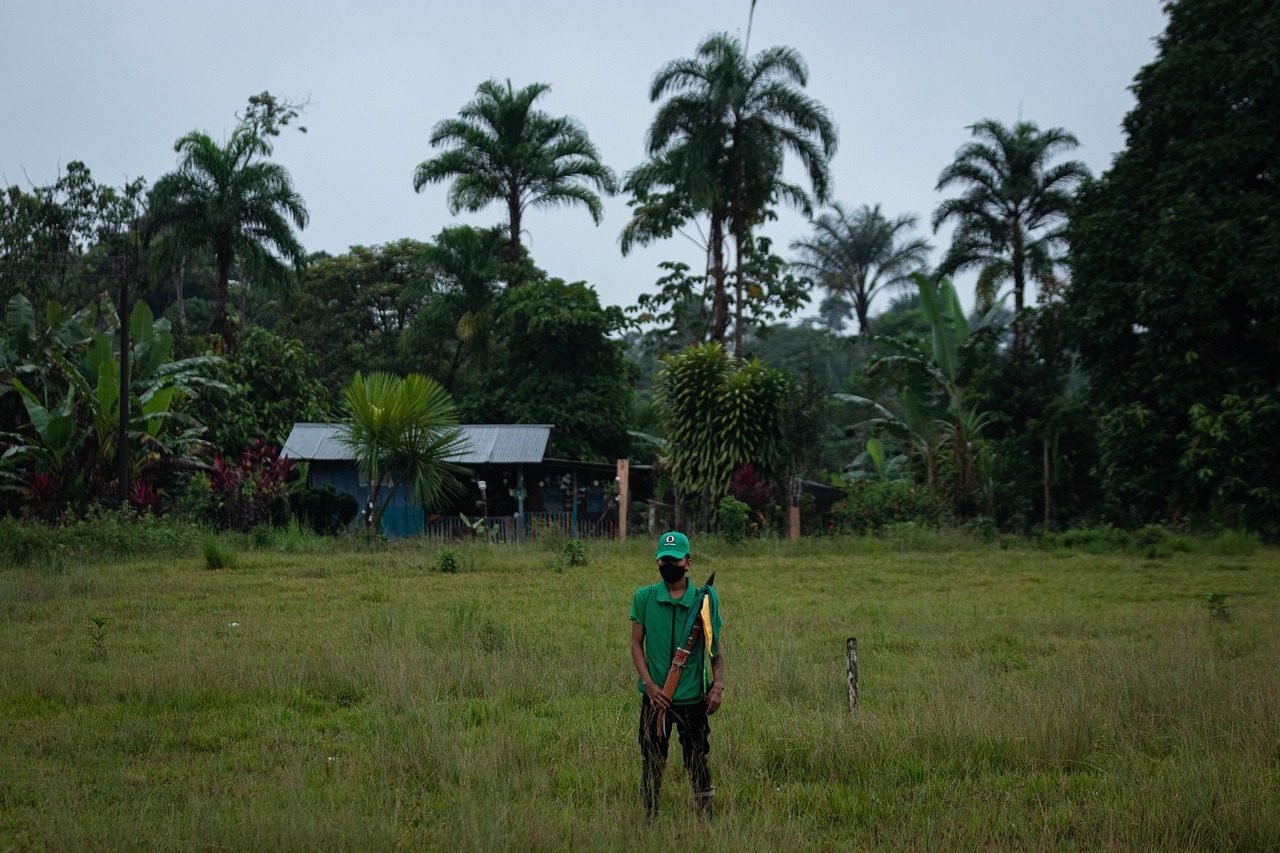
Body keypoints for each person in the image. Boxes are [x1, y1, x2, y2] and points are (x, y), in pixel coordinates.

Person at [629, 530, 724, 821]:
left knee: (697, 759)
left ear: (688, 563)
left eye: (675, 559)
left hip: (693, 698)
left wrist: (717, 684)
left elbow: (715, 650)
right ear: (657, 563)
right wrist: (648, 684)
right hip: (655, 699)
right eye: (664, 559)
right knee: (652, 760)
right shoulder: (644, 598)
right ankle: (650, 816)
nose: (669, 564)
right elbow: (635, 644)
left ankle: (704, 818)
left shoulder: (704, 601)